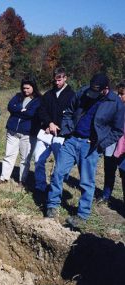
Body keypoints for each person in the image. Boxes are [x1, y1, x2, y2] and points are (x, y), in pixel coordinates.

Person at [46, 73, 124, 228]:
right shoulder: (83, 92)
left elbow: (117, 130)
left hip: (90, 146)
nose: (92, 94)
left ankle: (82, 215)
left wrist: (100, 144)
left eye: (97, 91)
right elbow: (69, 111)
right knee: (58, 173)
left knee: (86, 182)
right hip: (72, 140)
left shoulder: (115, 103)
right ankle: (52, 205)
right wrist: (68, 131)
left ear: (105, 89)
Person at [34, 67, 75, 194]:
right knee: (38, 159)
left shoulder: (72, 95)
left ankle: (55, 187)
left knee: (60, 165)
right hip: (46, 133)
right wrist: (49, 123)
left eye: (59, 80)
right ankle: (40, 186)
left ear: (65, 78)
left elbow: (74, 116)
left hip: (62, 135)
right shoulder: (49, 94)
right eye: (55, 80)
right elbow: (42, 110)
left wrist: (61, 128)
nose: (57, 82)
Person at [0, 76, 41, 186]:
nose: (25, 90)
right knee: (9, 155)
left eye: (28, 88)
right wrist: (21, 110)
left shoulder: (38, 99)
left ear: (33, 87)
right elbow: (10, 106)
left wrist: (17, 111)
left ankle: (22, 180)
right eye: (24, 88)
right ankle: (4, 178)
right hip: (12, 130)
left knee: (25, 159)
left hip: (27, 133)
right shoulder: (18, 96)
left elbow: (31, 113)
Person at [96, 81, 125, 204]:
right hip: (112, 143)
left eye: (122, 94)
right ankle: (106, 195)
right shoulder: (114, 106)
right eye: (118, 93)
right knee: (109, 171)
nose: (119, 96)